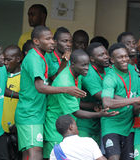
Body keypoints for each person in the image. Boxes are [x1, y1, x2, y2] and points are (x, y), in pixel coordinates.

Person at [15, 26, 86, 160]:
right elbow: (40, 87)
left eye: (52, 38)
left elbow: (52, 79)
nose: (52, 42)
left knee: (28, 154)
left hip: (37, 112)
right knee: (35, 153)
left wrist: (63, 64)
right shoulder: (34, 58)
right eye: (47, 39)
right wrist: (67, 89)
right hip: (30, 113)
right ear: (36, 41)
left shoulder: (43, 57)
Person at [43, 49, 118, 158]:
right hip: (57, 129)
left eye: (87, 64)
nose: (87, 68)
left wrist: (93, 106)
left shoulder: (78, 74)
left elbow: (76, 103)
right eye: (83, 65)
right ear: (72, 64)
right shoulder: (65, 82)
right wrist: (100, 114)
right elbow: (76, 112)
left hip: (69, 127)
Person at [101, 43, 140, 160]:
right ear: (112, 60)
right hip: (112, 126)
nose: (124, 59)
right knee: (114, 158)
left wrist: (139, 106)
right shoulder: (110, 78)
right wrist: (136, 100)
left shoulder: (132, 70)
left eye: (126, 56)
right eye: (120, 57)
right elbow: (107, 102)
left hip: (130, 125)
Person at [77, 42, 111, 144]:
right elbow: (101, 96)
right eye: (101, 55)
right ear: (92, 59)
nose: (106, 57)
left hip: (99, 121)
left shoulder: (108, 69)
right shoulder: (88, 72)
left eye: (106, 53)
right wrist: (128, 100)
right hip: (84, 123)